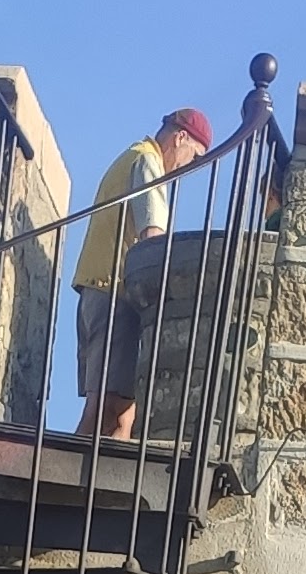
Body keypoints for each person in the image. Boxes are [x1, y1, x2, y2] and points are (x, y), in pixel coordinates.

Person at [73, 105, 215, 438]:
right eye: (194, 157)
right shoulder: (147, 162)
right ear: (180, 138)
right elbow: (153, 239)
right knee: (106, 411)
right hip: (114, 294)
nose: (190, 168)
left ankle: (94, 472)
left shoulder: (131, 157)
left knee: (122, 414)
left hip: (101, 291)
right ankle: (55, 470)